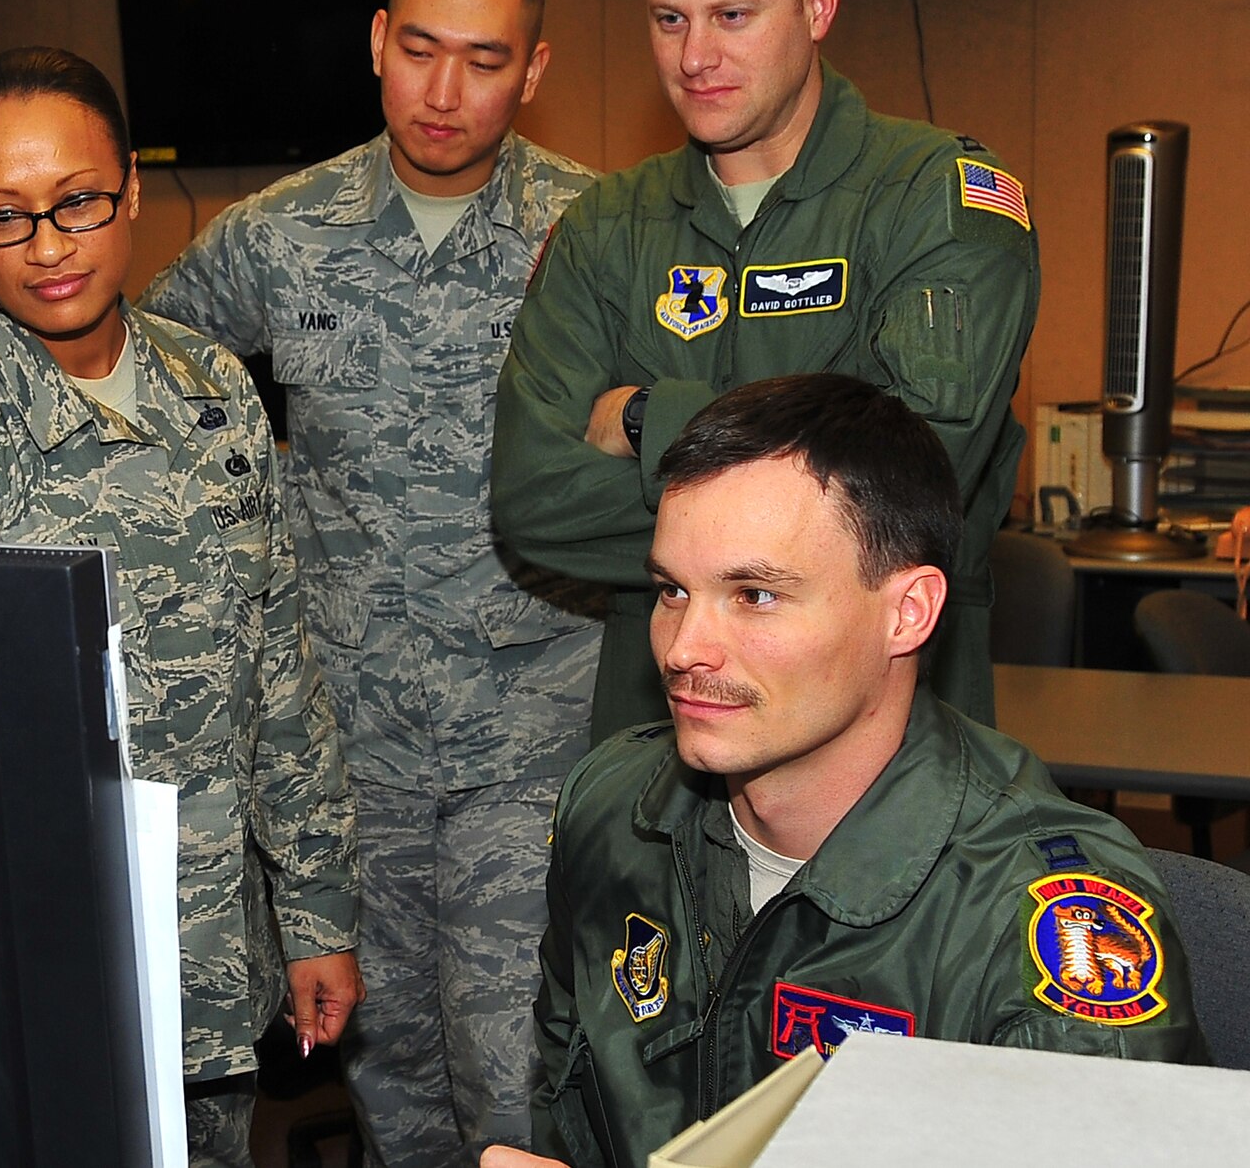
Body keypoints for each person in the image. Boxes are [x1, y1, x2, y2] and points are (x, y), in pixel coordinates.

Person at [482, 374, 1205, 1168]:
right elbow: (567, 1104)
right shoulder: (613, 808)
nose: (685, 647)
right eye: (671, 590)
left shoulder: (1037, 927)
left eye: (754, 594)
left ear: (909, 612)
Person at [142, 0, 600, 1167]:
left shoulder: (597, 234)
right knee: (386, 1068)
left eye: (483, 60)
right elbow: (157, 381)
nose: (443, 92)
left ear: (533, 70)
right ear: (376, 44)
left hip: (533, 731)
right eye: (419, 49)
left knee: (511, 1061)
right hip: (352, 744)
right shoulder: (277, 234)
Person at [0, 47, 361, 1168]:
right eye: (3, 217)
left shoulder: (214, 387)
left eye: (77, 202)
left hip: (215, 968)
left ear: (130, 187)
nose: (46, 247)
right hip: (46, 991)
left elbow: (277, 661)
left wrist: (315, 911)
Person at [492, 0, 1038, 741]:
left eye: (732, 16)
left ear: (818, 5)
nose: (694, 56)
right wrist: (796, 525)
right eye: (669, 19)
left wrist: (649, 418)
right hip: (657, 771)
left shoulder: (934, 202)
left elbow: (911, 482)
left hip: (883, 766)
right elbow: (531, 501)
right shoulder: (608, 227)